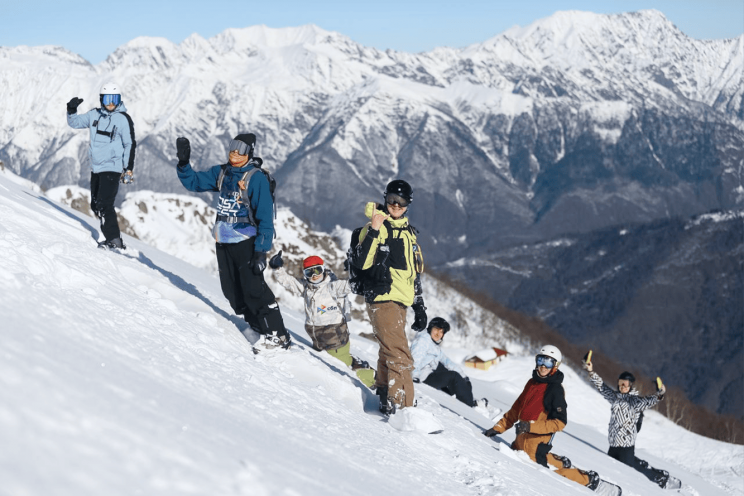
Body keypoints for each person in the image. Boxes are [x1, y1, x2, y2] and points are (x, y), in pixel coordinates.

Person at [174, 133, 290, 352]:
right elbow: (194, 182)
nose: (235, 153)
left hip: (246, 240)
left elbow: (265, 217)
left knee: (254, 290)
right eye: (232, 147)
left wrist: (261, 251)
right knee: (232, 291)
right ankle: (257, 327)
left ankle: (277, 335)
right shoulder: (223, 172)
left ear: (250, 152)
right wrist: (183, 163)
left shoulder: (256, 178)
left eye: (241, 149)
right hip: (223, 239)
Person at [484, 346, 619, 494]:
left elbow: (559, 423)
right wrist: (498, 428)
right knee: (525, 455)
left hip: (536, 447)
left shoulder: (555, 390)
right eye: (540, 360)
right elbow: (516, 409)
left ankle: (588, 480)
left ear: (555, 366)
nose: (543, 366)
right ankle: (559, 461)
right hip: (519, 442)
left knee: (552, 477)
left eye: (548, 362)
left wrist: (530, 426)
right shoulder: (532, 383)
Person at [354, 179, 427, 415]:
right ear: (385, 199)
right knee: (400, 355)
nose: (396, 205)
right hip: (383, 298)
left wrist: (419, 304)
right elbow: (362, 262)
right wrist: (374, 229)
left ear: (408, 204)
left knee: (389, 351)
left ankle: (386, 396)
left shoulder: (408, 232)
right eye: (392, 200)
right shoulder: (376, 226)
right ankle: (403, 408)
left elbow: (413, 272)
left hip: (400, 301)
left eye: (401, 201)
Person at [269, 251, 375, 386]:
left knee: (343, 368)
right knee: (338, 361)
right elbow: (290, 282)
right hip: (317, 337)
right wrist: (278, 269)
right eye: (309, 272)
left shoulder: (332, 286)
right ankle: (358, 364)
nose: (314, 275)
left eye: (317, 270)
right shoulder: (307, 288)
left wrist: (368, 277)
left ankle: (374, 382)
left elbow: (350, 285)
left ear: (323, 269)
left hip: (334, 336)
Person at [585, 360, 676, 489]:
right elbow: (602, 387)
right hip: (613, 444)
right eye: (620, 383)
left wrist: (659, 395)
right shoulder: (615, 398)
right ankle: (655, 473)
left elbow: (647, 402)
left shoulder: (634, 401)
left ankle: (657, 477)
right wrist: (590, 371)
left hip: (626, 445)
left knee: (625, 475)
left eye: (625, 384)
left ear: (631, 386)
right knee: (614, 469)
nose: (622, 386)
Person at [66, 82, 136, 249]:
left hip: (112, 167)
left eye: (114, 99)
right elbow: (75, 123)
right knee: (95, 205)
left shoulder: (123, 119)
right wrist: (71, 110)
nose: (110, 103)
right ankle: (112, 237)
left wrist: (128, 168)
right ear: (101, 99)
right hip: (96, 168)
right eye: (107, 99)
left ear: (119, 100)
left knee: (105, 204)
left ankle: (114, 240)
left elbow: (130, 144)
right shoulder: (94, 115)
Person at [410, 317, 488, 408]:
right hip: (422, 376)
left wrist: (463, 376)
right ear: (430, 328)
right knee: (453, 376)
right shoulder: (423, 341)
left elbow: (447, 361)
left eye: (441, 332)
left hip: (429, 372)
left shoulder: (433, 344)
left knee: (450, 371)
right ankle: (470, 404)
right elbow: (415, 358)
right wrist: (414, 375)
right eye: (436, 329)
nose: (438, 334)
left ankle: (461, 394)